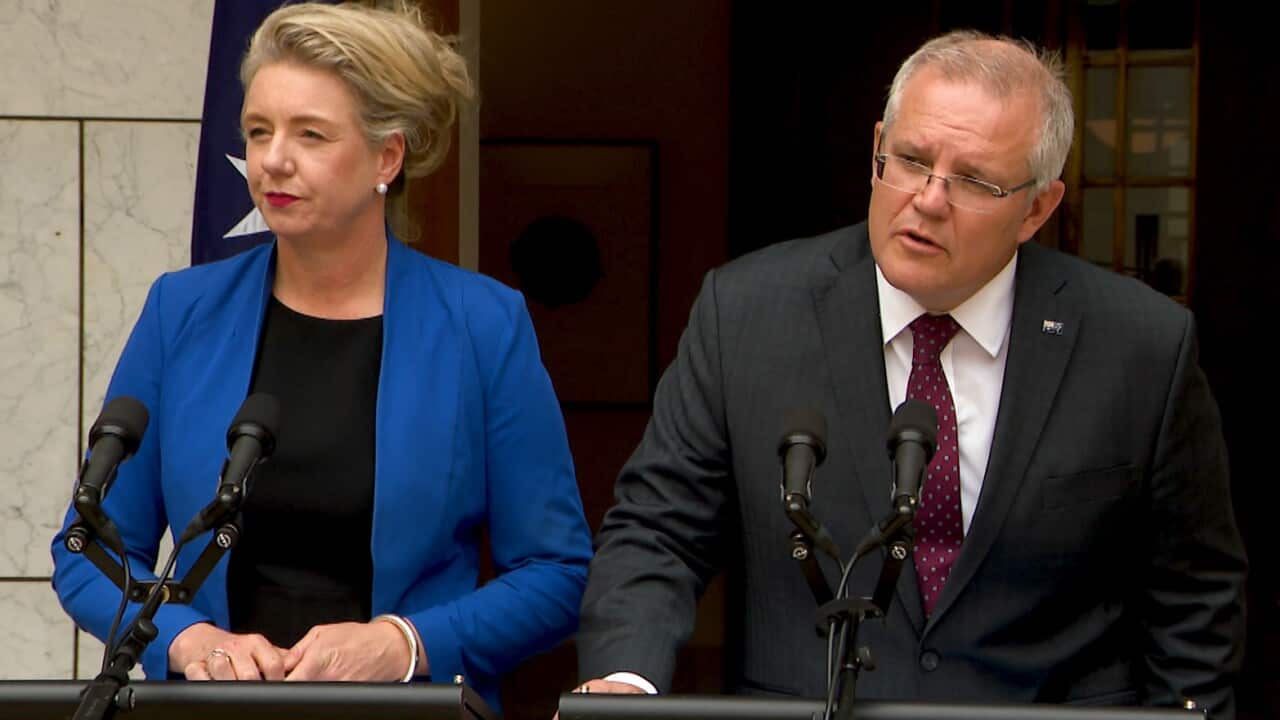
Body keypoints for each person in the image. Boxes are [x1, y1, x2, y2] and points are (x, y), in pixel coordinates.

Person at [574, 30, 1246, 717]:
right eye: (912, 161)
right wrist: (625, 685)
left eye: (974, 181)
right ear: (877, 151)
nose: (928, 199)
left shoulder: (1139, 344)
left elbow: (1194, 593)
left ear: (1037, 208)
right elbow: (658, 531)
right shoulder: (746, 313)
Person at [51, 2, 591, 711]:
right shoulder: (181, 311)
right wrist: (184, 639)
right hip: (213, 711)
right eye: (259, 131)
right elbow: (86, 550)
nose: (273, 159)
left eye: (310, 134)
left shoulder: (483, 325)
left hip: (409, 712)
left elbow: (554, 572)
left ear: (387, 157)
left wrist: (406, 644)